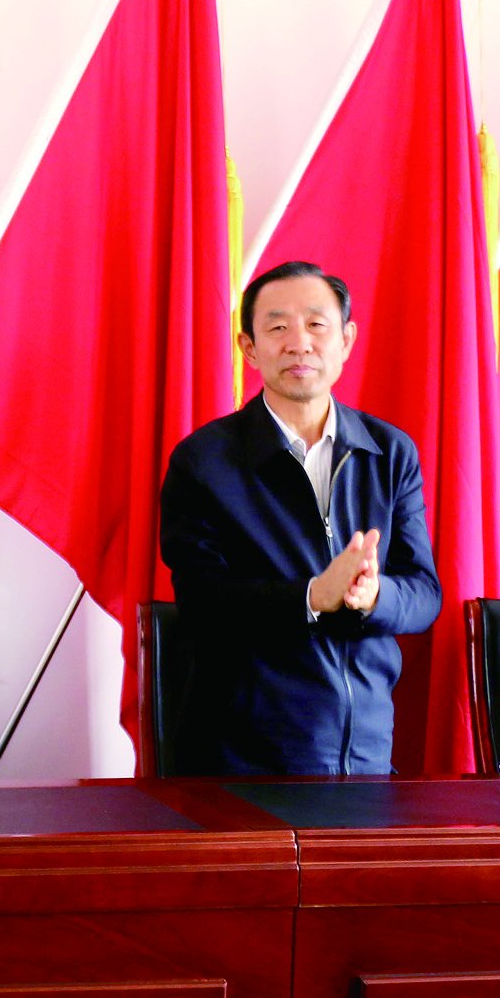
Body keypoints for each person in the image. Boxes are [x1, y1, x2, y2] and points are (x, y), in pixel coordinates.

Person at [159, 261, 440, 774]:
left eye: (316, 324)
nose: (299, 343)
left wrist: (372, 596)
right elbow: (201, 603)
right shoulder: (204, 460)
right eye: (278, 327)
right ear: (249, 349)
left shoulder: (390, 452)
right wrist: (312, 597)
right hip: (243, 757)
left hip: (364, 753)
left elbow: (424, 595)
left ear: (346, 340)